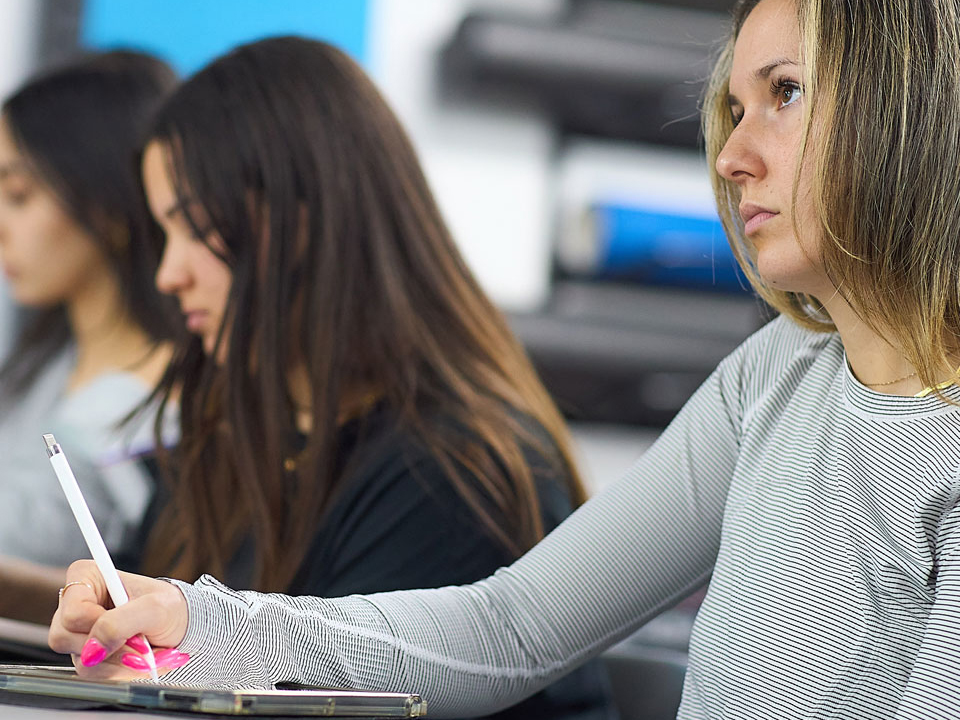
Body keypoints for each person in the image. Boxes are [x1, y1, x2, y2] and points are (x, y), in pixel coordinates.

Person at [52, 0, 960, 715]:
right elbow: (513, 625)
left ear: (905, 103)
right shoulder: (775, 376)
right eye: (733, 110)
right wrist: (200, 621)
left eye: (785, 93)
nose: (730, 156)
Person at [51, 36, 617, 720]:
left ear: (303, 226)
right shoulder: (231, 431)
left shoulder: (452, 475)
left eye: (195, 228)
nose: (170, 275)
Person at [0, 51, 179, 622]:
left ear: (106, 203)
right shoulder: (43, 364)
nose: (1, 223)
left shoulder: (164, 411)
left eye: (20, 196)